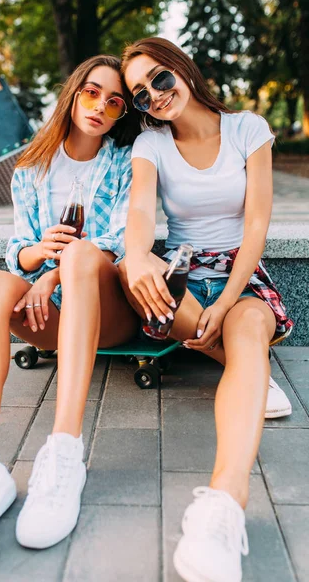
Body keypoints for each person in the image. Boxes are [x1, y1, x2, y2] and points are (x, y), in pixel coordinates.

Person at [0, 54, 140, 564]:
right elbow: (17, 249)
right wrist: (37, 254)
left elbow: (115, 243)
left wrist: (50, 275)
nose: (100, 107)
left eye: (114, 101)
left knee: (86, 254)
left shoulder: (125, 162)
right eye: (91, 93)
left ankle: (63, 454)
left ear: (120, 114)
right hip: (55, 316)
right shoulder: (32, 167)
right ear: (72, 93)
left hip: (107, 311)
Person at [120, 37, 294, 582]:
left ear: (182, 69)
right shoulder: (149, 143)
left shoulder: (248, 128)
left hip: (240, 270)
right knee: (142, 277)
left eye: (160, 79)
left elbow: (257, 225)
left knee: (245, 324)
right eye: (141, 94)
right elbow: (141, 212)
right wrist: (137, 253)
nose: (155, 96)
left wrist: (226, 298)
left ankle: (222, 505)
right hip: (184, 272)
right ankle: (248, 369)